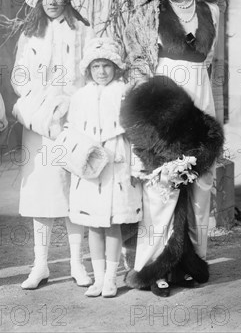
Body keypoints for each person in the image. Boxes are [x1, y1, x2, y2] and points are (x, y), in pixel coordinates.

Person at [123, 0, 222, 297]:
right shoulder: (149, 11)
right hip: (164, 101)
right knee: (162, 185)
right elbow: (137, 64)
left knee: (200, 184)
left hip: (201, 100)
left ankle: (192, 262)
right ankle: (152, 268)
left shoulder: (211, 9)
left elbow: (208, 62)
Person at [11, 0, 94, 290]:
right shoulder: (30, 34)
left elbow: (92, 72)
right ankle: (40, 264)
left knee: (75, 189)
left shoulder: (82, 31)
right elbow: (19, 76)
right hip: (40, 122)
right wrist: (39, 100)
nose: (53, 1)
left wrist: (71, 101)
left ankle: (77, 262)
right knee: (41, 194)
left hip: (73, 120)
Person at [65, 37, 143, 298]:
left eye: (107, 65)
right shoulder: (80, 96)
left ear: (116, 67)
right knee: (93, 225)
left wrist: (135, 167)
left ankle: (111, 278)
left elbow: (135, 133)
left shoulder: (125, 93)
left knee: (113, 224)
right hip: (89, 165)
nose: (101, 71)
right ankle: (98, 279)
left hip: (116, 163)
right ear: (88, 70)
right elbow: (72, 132)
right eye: (96, 66)